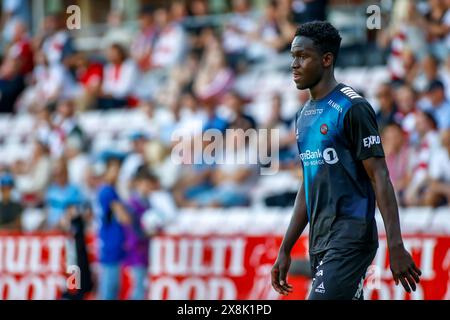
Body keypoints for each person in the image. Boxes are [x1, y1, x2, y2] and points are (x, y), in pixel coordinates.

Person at [271, 21, 421, 300]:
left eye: (303, 56)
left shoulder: (353, 108)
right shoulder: (303, 115)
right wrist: (285, 248)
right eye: (293, 56)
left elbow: (380, 177)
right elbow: (308, 185)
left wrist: (396, 245)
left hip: (351, 236)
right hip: (320, 238)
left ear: (326, 60)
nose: (294, 64)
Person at [96, 156, 131, 300]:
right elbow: (124, 217)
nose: (116, 174)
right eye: (114, 170)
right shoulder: (108, 191)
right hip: (111, 241)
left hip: (110, 240)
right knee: (110, 285)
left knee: (111, 284)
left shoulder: (107, 191)